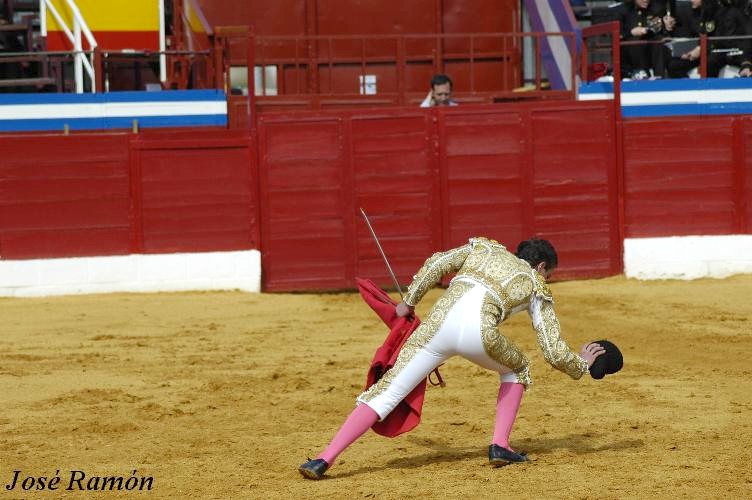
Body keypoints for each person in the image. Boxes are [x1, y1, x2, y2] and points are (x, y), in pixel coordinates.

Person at [299, 237, 606, 480]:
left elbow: (438, 263)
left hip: (437, 327)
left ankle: (323, 459)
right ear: (541, 267)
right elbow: (551, 349)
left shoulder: (485, 249)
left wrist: (409, 301)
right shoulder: (535, 282)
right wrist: (581, 365)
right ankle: (500, 445)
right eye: (548, 274)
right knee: (518, 368)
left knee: (388, 392)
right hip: (481, 335)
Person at [667, 0, 752, 77]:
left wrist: (702, 48)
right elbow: (689, 35)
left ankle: (709, 91)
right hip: (701, 51)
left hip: (721, 51)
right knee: (674, 65)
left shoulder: (724, 11)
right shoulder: (694, 13)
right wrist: (687, 51)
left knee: (709, 63)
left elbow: (724, 40)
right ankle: (688, 90)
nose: (691, 0)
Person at [619, 0, 675, 79]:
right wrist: (631, 32)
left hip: (649, 47)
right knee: (634, 42)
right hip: (630, 50)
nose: (646, 0)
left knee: (659, 41)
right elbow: (617, 33)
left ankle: (659, 76)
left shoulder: (656, 8)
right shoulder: (623, 10)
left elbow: (660, 28)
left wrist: (666, 26)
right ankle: (643, 75)